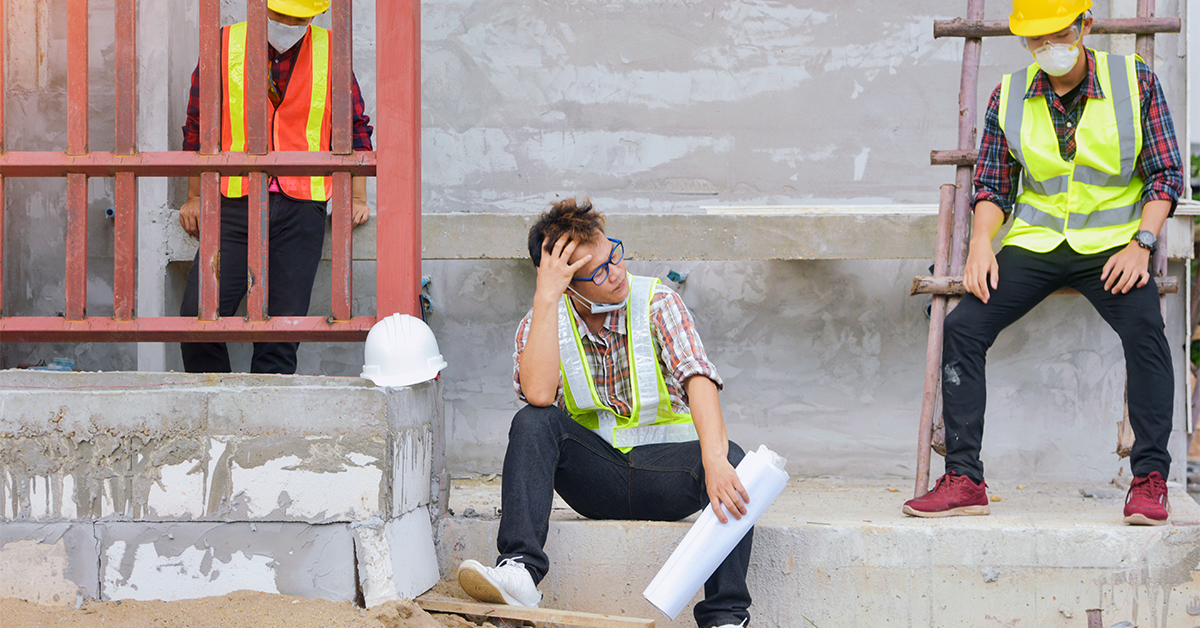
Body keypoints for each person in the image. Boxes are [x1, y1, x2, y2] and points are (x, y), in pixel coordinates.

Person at [903, 0, 1183, 525]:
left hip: (1113, 245)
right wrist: (980, 244)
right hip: (1037, 243)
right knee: (963, 328)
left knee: (1146, 328)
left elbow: (1165, 173)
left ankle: (1150, 480)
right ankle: (964, 479)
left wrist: (1142, 243)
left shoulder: (1135, 81)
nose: (1049, 47)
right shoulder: (1008, 95)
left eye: (1059, 33)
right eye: (1036, 38)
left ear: (1085, 25)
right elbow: (994, 185)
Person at [456, 198, 753, 628]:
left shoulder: (657, 301)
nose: (615, 273)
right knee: (533, 422)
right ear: (568, 286)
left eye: (614, 254)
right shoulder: (542, 321)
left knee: (735, 462)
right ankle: (519, 571)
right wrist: (546, 298)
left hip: (667, 475)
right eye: (597, 272)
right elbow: (537, 394)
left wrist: (715, 460)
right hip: (596, 480)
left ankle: (725, 618)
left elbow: (698, 377)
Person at [177, 0, 373, 374]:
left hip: (303, 204)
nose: (286, 24)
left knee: (281, 333)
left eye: (297, 18)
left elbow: (354, 127)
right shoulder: (223, 44)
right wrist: (194, 197)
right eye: (279, 14)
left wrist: (358, 197)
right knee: (198, 317)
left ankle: (264, 410)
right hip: (235, 200)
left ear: (315, 14)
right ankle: (217, 404)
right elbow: (198, 126)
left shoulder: (332, 50)